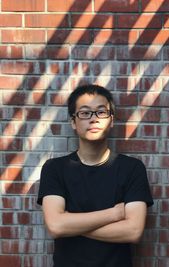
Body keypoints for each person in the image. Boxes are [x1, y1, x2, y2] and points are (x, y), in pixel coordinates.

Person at [37, 84, 153, 267]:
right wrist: (114, 213)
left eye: (101, 112)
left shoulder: (132, 168)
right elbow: (56, 226)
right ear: (73, 122)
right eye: (84, 113)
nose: (93, 119)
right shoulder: (54, 168)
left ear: (111, 120)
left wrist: (71, 223)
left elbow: (133, 231)